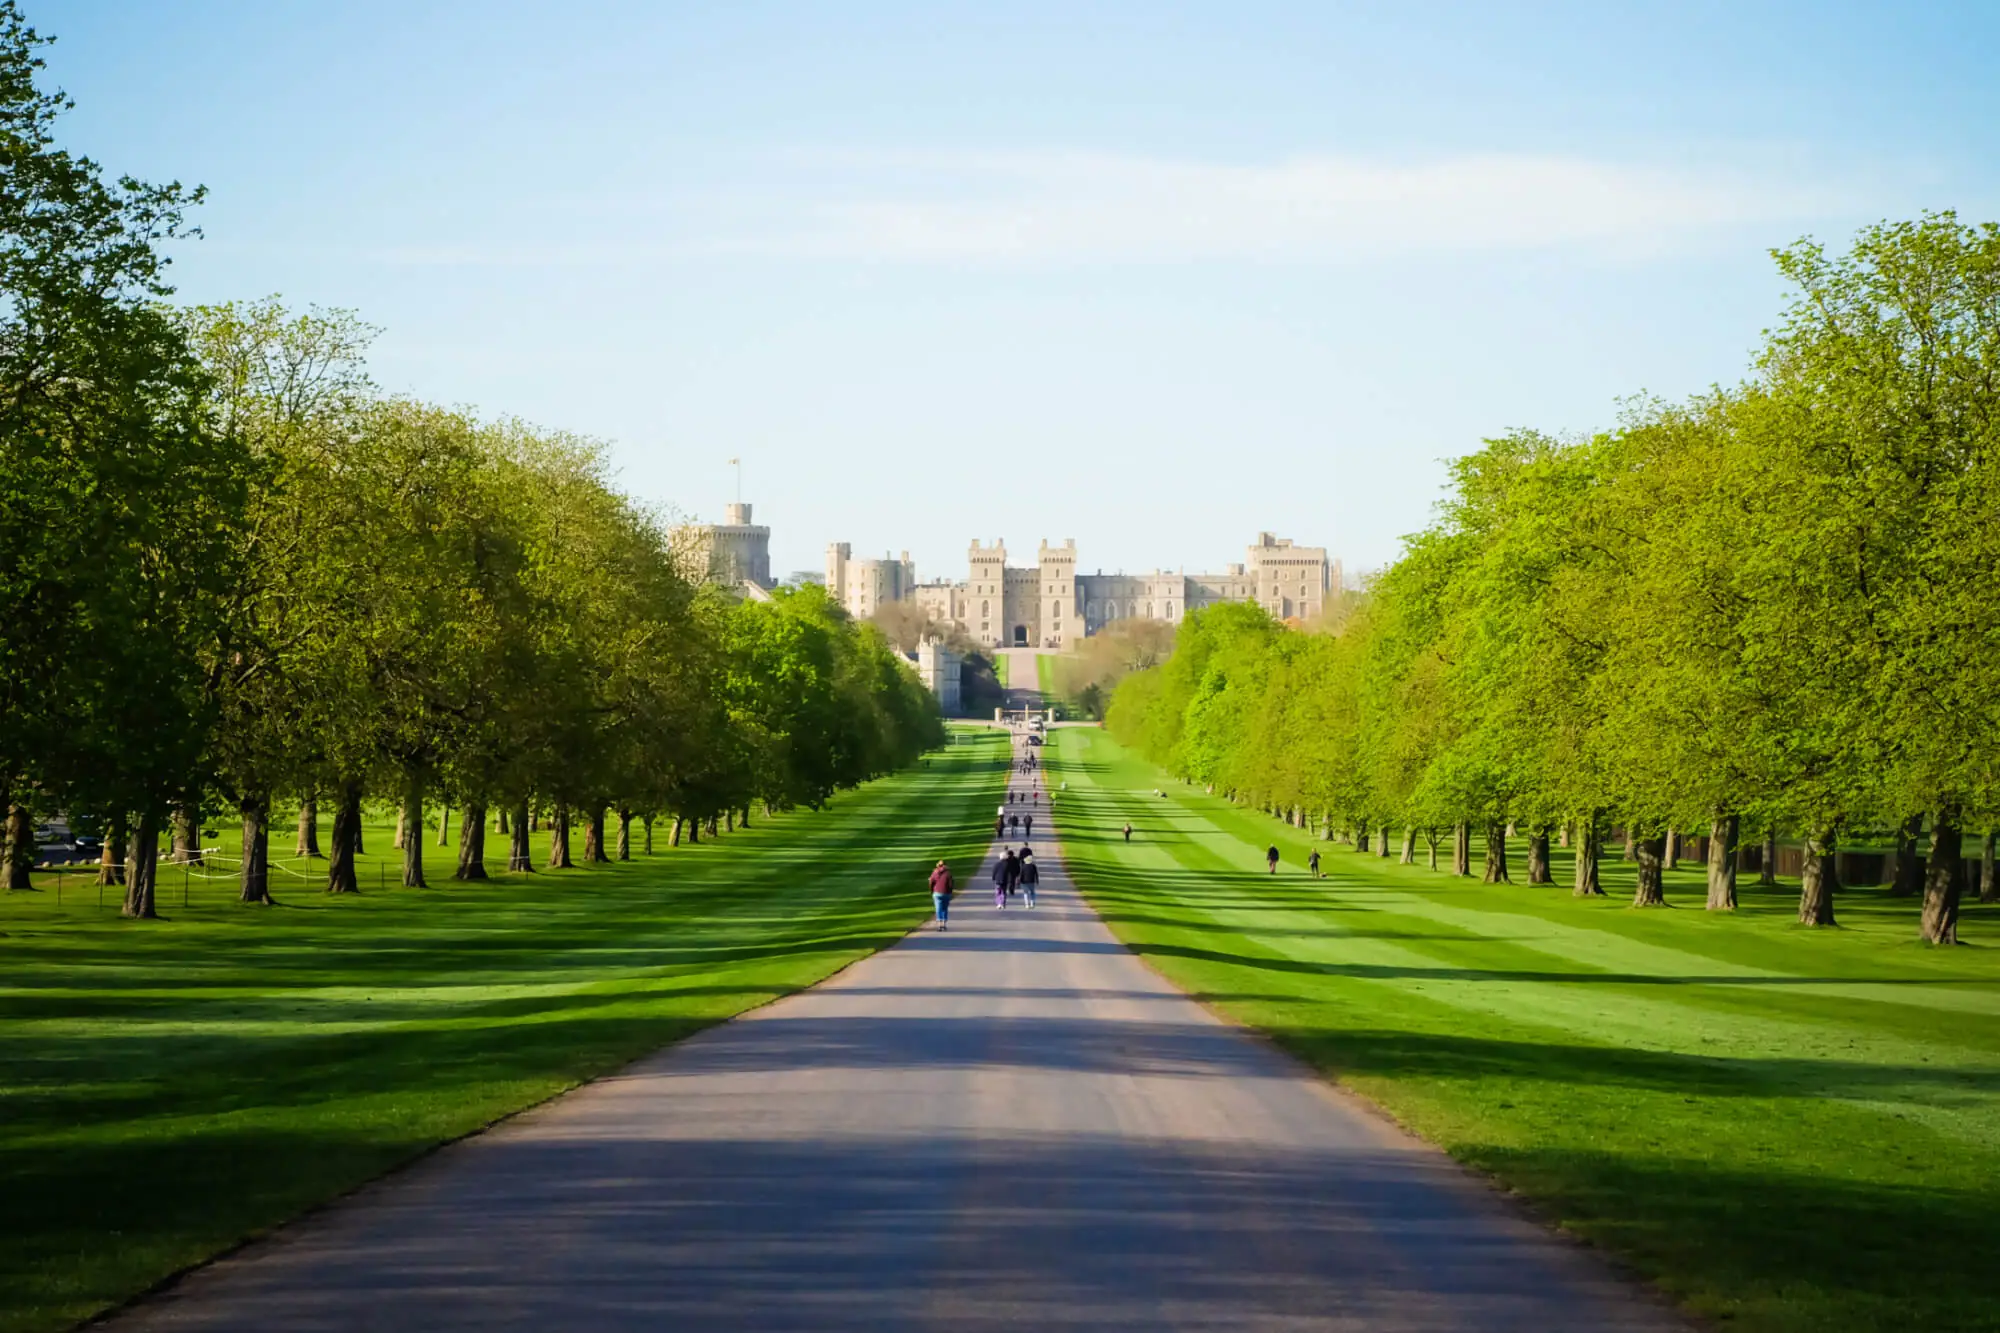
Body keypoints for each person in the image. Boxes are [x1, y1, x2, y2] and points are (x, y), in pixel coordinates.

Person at [929, 860, 955, 930]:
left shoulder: (934, 872)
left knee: (938, 908)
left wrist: (932, 891)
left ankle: (939, 925)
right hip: (946, 893)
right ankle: (944, 924)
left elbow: (931, 882)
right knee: (944, 908)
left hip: (937, 893)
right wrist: (950, 892)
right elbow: (951, 885)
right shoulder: (948, 874)